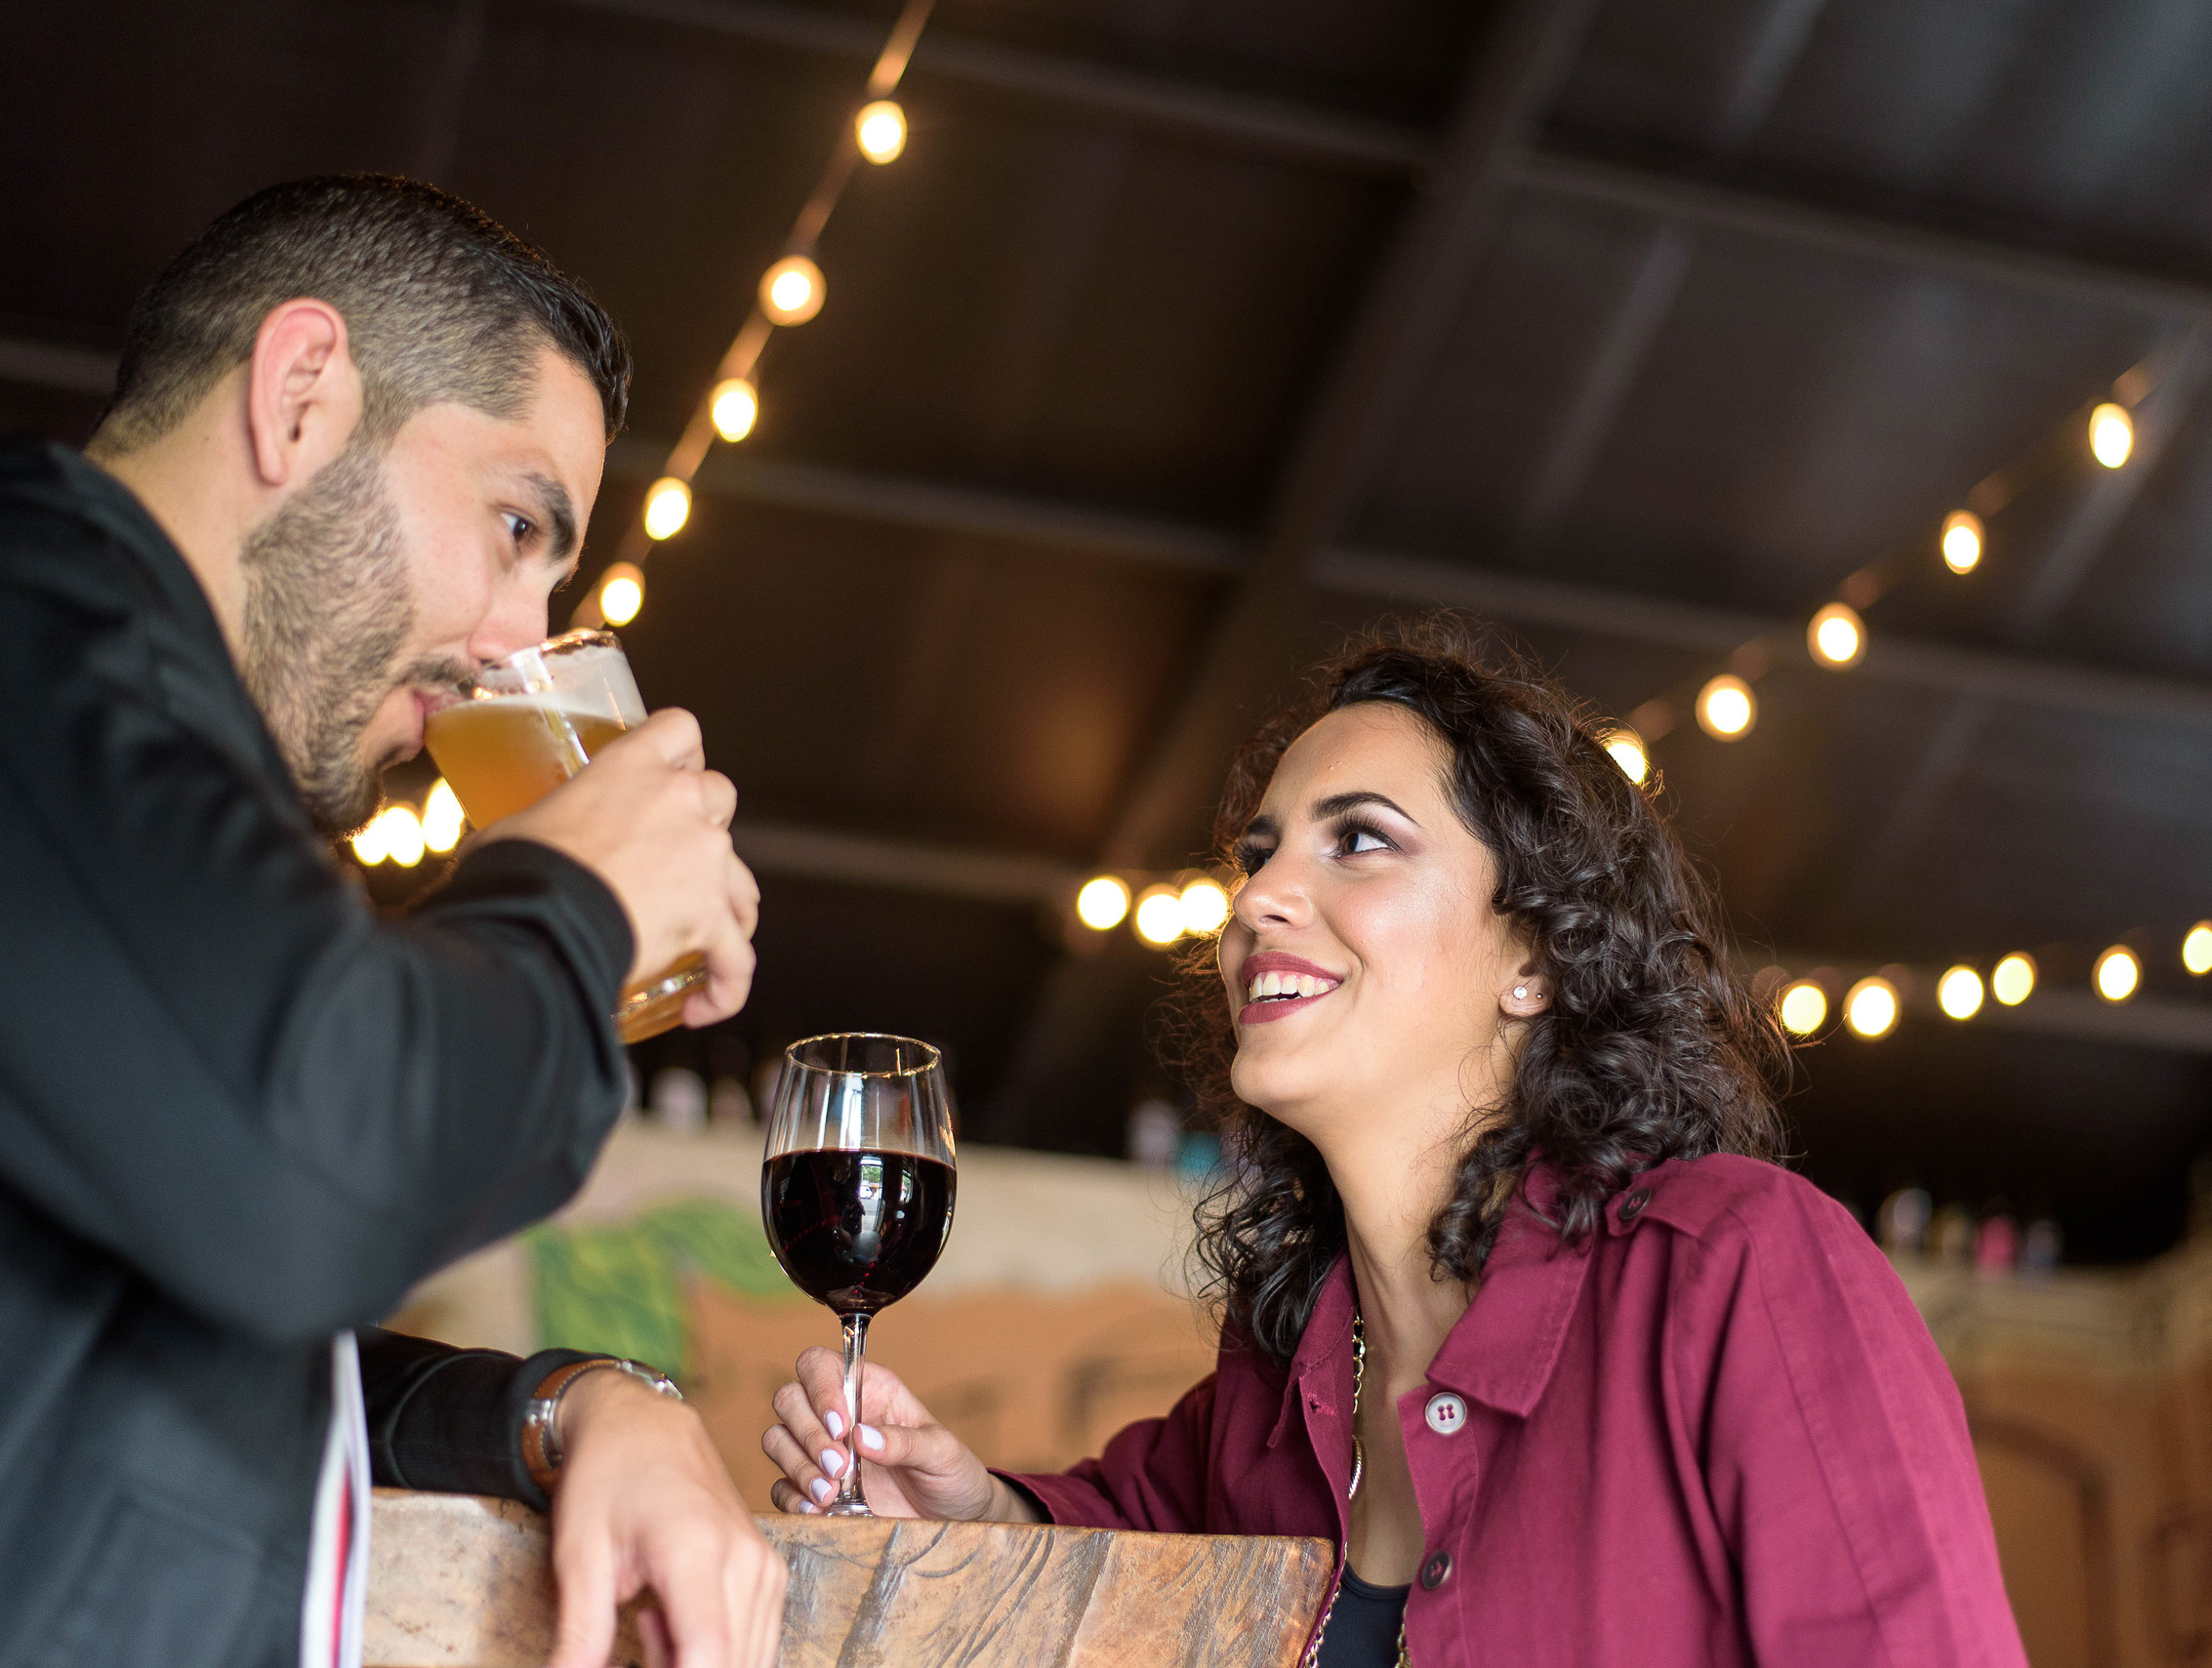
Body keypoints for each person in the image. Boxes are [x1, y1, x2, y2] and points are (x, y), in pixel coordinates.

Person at [761, 623, 2028, 1665]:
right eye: (1257, 856)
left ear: (1534, 957)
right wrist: (958, 1502)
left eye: (1357, 839)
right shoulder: (1268, 1393)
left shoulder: (1739, 1270)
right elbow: (1107, 1540)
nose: (1256, 896)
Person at [0, 177, 782, 1668]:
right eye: (513, 523)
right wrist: (580, 903)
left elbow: (224, 1325)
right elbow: (309, 1165)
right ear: (301, 394)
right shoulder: (33, 622)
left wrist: (570, 1408)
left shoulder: (136, 759)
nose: (514, 643)